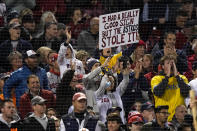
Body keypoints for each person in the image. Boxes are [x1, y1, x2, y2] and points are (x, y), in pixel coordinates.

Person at [151, 55, 190, 121]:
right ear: (162, 66)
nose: (171, 65)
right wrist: (167, 76)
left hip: (179, 119)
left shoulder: (182, 78)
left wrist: (177, 77)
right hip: (164, 119)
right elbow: (158, 93)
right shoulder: (156, 79)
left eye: (172, 63)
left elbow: (185, 93)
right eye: (168, 63)